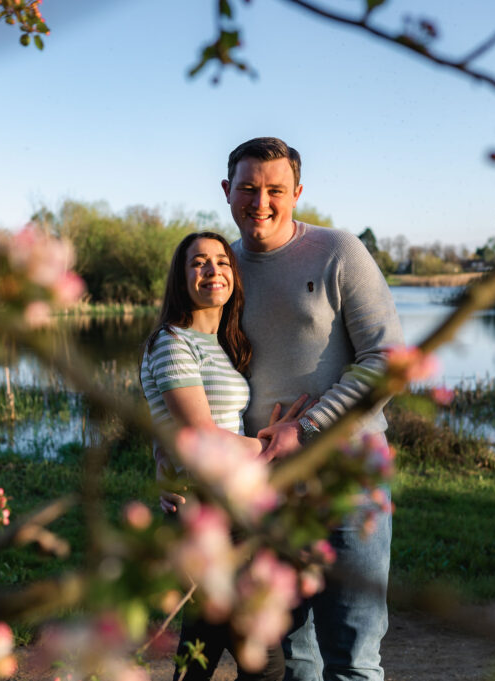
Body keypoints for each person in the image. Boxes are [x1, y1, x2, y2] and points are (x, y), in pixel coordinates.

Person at [161, 138, 404, 681]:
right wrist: (180, 471)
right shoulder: (222, 270)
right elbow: (193, 376)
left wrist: (309, 426)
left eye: (275, 189)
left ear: (297, 191)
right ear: (227, 192)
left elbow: (387, 359)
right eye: (247, 188)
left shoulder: (338, 251)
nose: (261, 202)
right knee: (292, 657)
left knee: (353, 655)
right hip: (264, 492)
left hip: (347, 480)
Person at [139, 231, 292, 681]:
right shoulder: (173, 342)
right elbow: (202, 435)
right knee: (261, 661)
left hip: (226, 505)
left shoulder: (222, 344)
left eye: (222, 262)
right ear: (181, 277)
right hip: (204, 508)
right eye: (199, 263)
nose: (213, 271)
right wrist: (272, 443)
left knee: (203, 647)